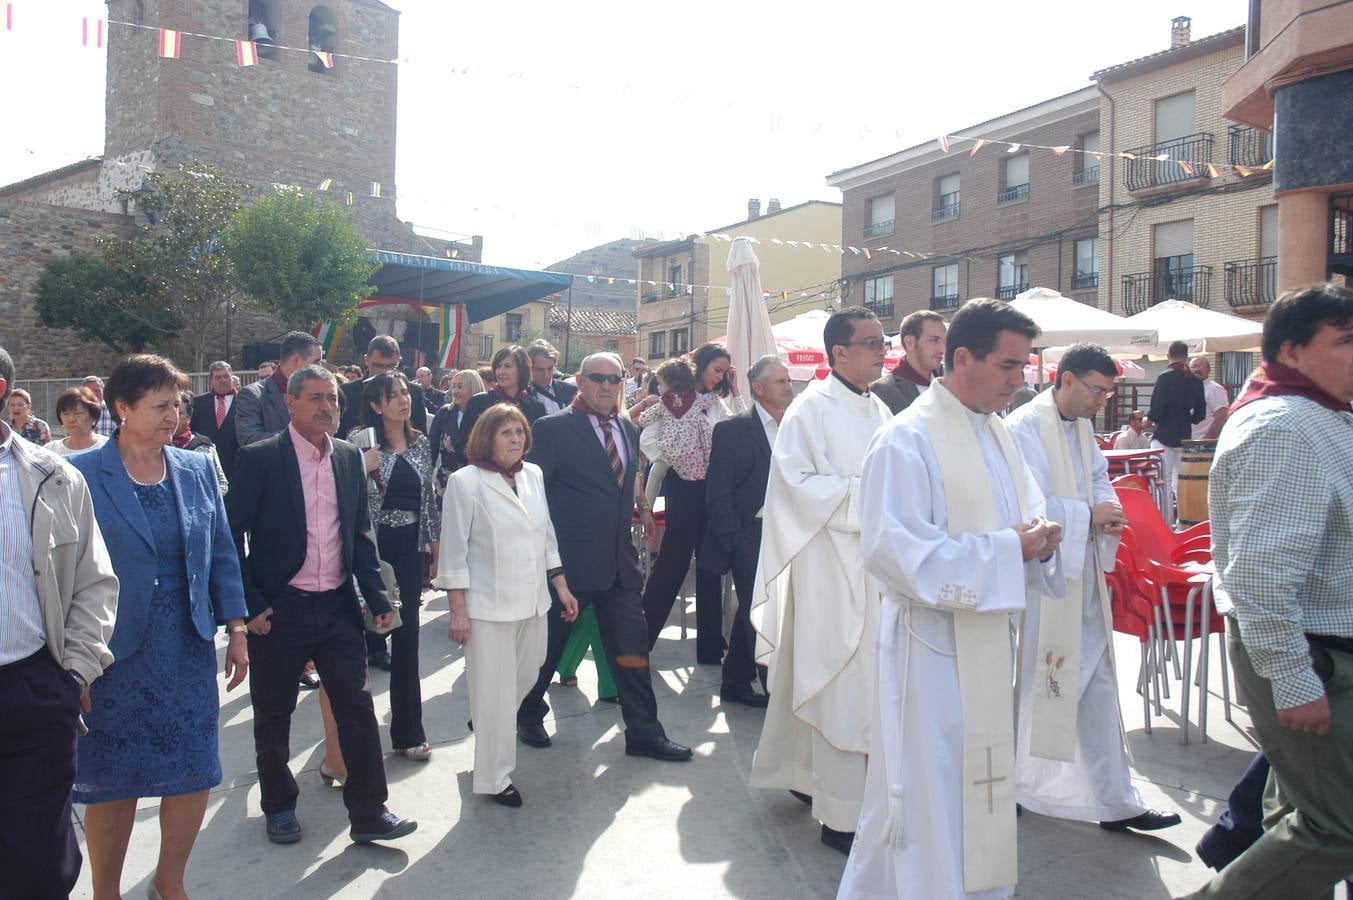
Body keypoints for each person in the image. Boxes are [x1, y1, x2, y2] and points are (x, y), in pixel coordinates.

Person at [840, 298, 1064, 900]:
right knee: (927, 791)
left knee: (975, 786)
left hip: (987, 636)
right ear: (962, 358)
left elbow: (1024, 513)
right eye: (1010, 366)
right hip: (929, 649)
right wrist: (1008, 549)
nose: (1021, 381)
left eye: (1025, 367)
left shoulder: (997, 434)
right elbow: (892, 552)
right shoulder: (905, 440)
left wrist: (1041, 540)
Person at [1185, 283, 1353, 899]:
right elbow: (1260, 573)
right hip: (1316, 654)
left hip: (1325, 646)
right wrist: (1294, 676)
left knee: (1300, 821)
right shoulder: (1285, 426)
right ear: (1292, 350)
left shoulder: (1319, 415)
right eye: (1346, 341)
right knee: (1336, 829)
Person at [66, 354, 250, 900]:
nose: (173, 415)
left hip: (186, 647)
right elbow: (64, 571)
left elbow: (222, 554)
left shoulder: (195, 469)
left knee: (193, 771)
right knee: (111, 780)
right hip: (111, 654)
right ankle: (106, 891)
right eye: (160, 405)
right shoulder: (80, 476)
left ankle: (170, 882)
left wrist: (236, 627)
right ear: (122, 408)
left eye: (178, 404)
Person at [226, 364, 417, 846]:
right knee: (274, 714)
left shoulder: (350, 457)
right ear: (290, 403)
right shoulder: (261, 458)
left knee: (356, 708)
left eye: (332, 397)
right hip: (279, 609)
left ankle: (371, 810)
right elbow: (229, 538)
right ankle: (279, 806)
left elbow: (360, 534)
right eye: (314, 397)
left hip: (336, 607)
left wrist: (376, 597)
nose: (326, 406)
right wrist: (251, 607)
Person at [1006, 344, 1180, 834]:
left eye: (1109, 391)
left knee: (1098, 685)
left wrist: (1108, 509)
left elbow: (1100, 478)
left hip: (1083, 576)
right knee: (1041, 684)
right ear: (1064, 380)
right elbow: (1026, 503)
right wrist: (1087, 514)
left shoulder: (1081, 428)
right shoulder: (1024, 427)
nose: (1103, 401)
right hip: (1045, 582)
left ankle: (1115, 799)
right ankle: (1019, 783)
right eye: (1097, 390)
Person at [749, 308, 891, 854]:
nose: (882, 350)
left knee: (863, 685)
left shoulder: (879, 408)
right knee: (839, 681)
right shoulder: (810, 410)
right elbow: (794, 485)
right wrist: (869, 498)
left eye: (883, 341)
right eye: (871, 342)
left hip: (874, 568)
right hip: (828, 566)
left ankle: (818, 784)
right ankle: (842, 818)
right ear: (839, 353)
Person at [515, 352, 692, 762]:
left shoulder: (627, 428)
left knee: (633, 650)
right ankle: (527, 711)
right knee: (547, 650)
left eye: (614, 380)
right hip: (569, 567)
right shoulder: (552, 428)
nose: (607, 386)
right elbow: (533, 498)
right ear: (580, 380)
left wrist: (644, 510)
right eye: (598, 378)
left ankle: (644, 732)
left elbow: (627, 478)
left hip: (619, 563)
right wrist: (544, 562)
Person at [0, 345, 118, 900]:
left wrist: (73, 672)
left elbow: (94, 583)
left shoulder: (53, 477)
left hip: (32, 689)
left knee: (39, 864)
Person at [436, 403, 580, 806]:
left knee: (528, 673)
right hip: (487, 608)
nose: (516, 439)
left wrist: (561, 587)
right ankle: (494, 777)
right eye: (506, 433)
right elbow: (452, 553)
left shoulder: (532, 475)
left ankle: (486, 719)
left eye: (519, 432)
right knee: (496, 694)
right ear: (487, 438)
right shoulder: (466, 483)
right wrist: (458, 611)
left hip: (534, 601)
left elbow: (545, 533)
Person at [641, 343, 745, 664]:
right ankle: (639, 640)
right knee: (673, 561)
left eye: (724, 371)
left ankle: (711, 647)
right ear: (699, 365)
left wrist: (736, 389)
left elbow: (741, 425)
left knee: (710, 565)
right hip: (682, 485)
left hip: (712, 486)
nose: (720, 377)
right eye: (717, 369)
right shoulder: (671, 398)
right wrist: (674, 456)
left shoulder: (714, 403)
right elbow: (647, 438)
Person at [355, 371, 439, 761]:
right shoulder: (359, 444)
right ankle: (347, 739)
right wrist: (362, 466)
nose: (403, 400)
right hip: (369, 551)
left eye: (406, 392)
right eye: (393, 396)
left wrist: (436, 552)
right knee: (357, 642)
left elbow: (430, 503)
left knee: (408, 640)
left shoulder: (422, 444)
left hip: (408, 550)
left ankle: (408, 732)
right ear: (376, 405)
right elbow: (353, 502)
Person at [701, 354, 793, 708]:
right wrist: (735, 541)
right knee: (765, 605)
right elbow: (718, 492)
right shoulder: (732, 430)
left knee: (759, 607)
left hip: (789, 531)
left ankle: (735, 679)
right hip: (749, 534)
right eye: (782, 381)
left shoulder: (799, 426)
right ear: (759, 388)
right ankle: (775, 689)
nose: (789, 387)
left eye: (788, 380)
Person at [1147, 340, 1205, 521]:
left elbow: (1156, 411)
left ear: (1168, 356)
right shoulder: (1195, 381)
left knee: (1161, 482)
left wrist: (1150, 418)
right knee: (1182, 484)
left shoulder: (1164, 377)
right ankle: (1184, 522)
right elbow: (1200, 414)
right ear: (1186, 357)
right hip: (1184, 437)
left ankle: (1164, 521)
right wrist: (1188, 418)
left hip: (1164, 436)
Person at [236, 331, 323, 447]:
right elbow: (250, 440)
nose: (321, 368)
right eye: (316, 362)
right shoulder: (252, 395)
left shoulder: (319, 394)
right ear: (296, 360)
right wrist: (300, 436)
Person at [338, 335, 429, 437]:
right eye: (378, 365)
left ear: (398, 362)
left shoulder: (414, 393)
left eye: (391, 366)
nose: (384, 371)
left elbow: (421, 436)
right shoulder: (347, 392)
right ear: (366, 360)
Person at [461, 345, 548, 443]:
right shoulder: (479, 402)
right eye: (498, 366)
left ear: (521, 370)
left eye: (507, 366)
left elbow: (538, 445)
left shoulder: (536, 407)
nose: (501, 371)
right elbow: (464, 443)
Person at [427, 368, 486, 504]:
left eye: (460, 387)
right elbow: (432, 446)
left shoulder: (485, 416)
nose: (455, 391)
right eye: (453, 386)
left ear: (473, 387)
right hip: (446, 481)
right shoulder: (444, 413)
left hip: (476, 480)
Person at [873, 310, 946, 415]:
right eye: (935, 340)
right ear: (910, 342)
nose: (942, 349)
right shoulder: (883, 391)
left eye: (944, 342)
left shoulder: (948, 386)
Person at [190, 360, 241, 478]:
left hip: (237, 468)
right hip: (205, 468)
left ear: (231, 378)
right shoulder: (198, 403)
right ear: (211, 381)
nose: (222, 380)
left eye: (226, 376)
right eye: (218, 377)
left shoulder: (245, 402)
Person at [175, 390, 230, 495]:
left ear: (189, 417)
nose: (175, 417)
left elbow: (221, 483)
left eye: (180, 413)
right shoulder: (157, 445)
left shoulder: (204, 446)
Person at [49, 386, 109, 457]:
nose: (71, 419)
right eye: (66, 414)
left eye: (78, 413)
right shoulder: (51, 451)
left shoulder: (108, 447)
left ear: (93, 416)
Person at [526, 338, 579, 415]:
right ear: (529, 367)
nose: (546, 375)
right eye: (540, 370)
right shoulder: (521, 395)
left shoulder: (570, 391)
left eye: (550, 368)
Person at [1188, 355, 1230, 441]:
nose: (1196, 370)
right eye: (1193, 367)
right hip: (1186, 443)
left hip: (1203, 444)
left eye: (1200, 366)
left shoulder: (1215, 389)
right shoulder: (1187, 388)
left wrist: (1207, 441)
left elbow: (1221, 417)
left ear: (1208, 369)